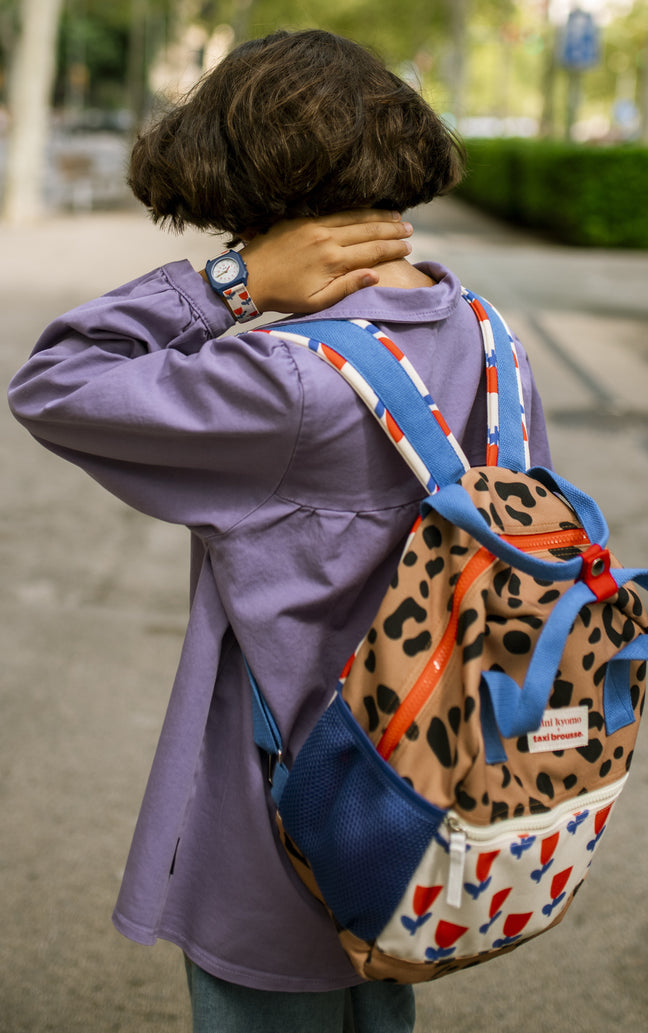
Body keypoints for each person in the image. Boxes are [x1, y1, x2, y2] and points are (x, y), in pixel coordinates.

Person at [8, 29, 551, 1033]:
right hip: (433, 801)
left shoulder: (285, 378)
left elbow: (53, 382)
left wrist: (232, 286)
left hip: (284, 819)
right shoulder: (491, 342)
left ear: (243, 191)